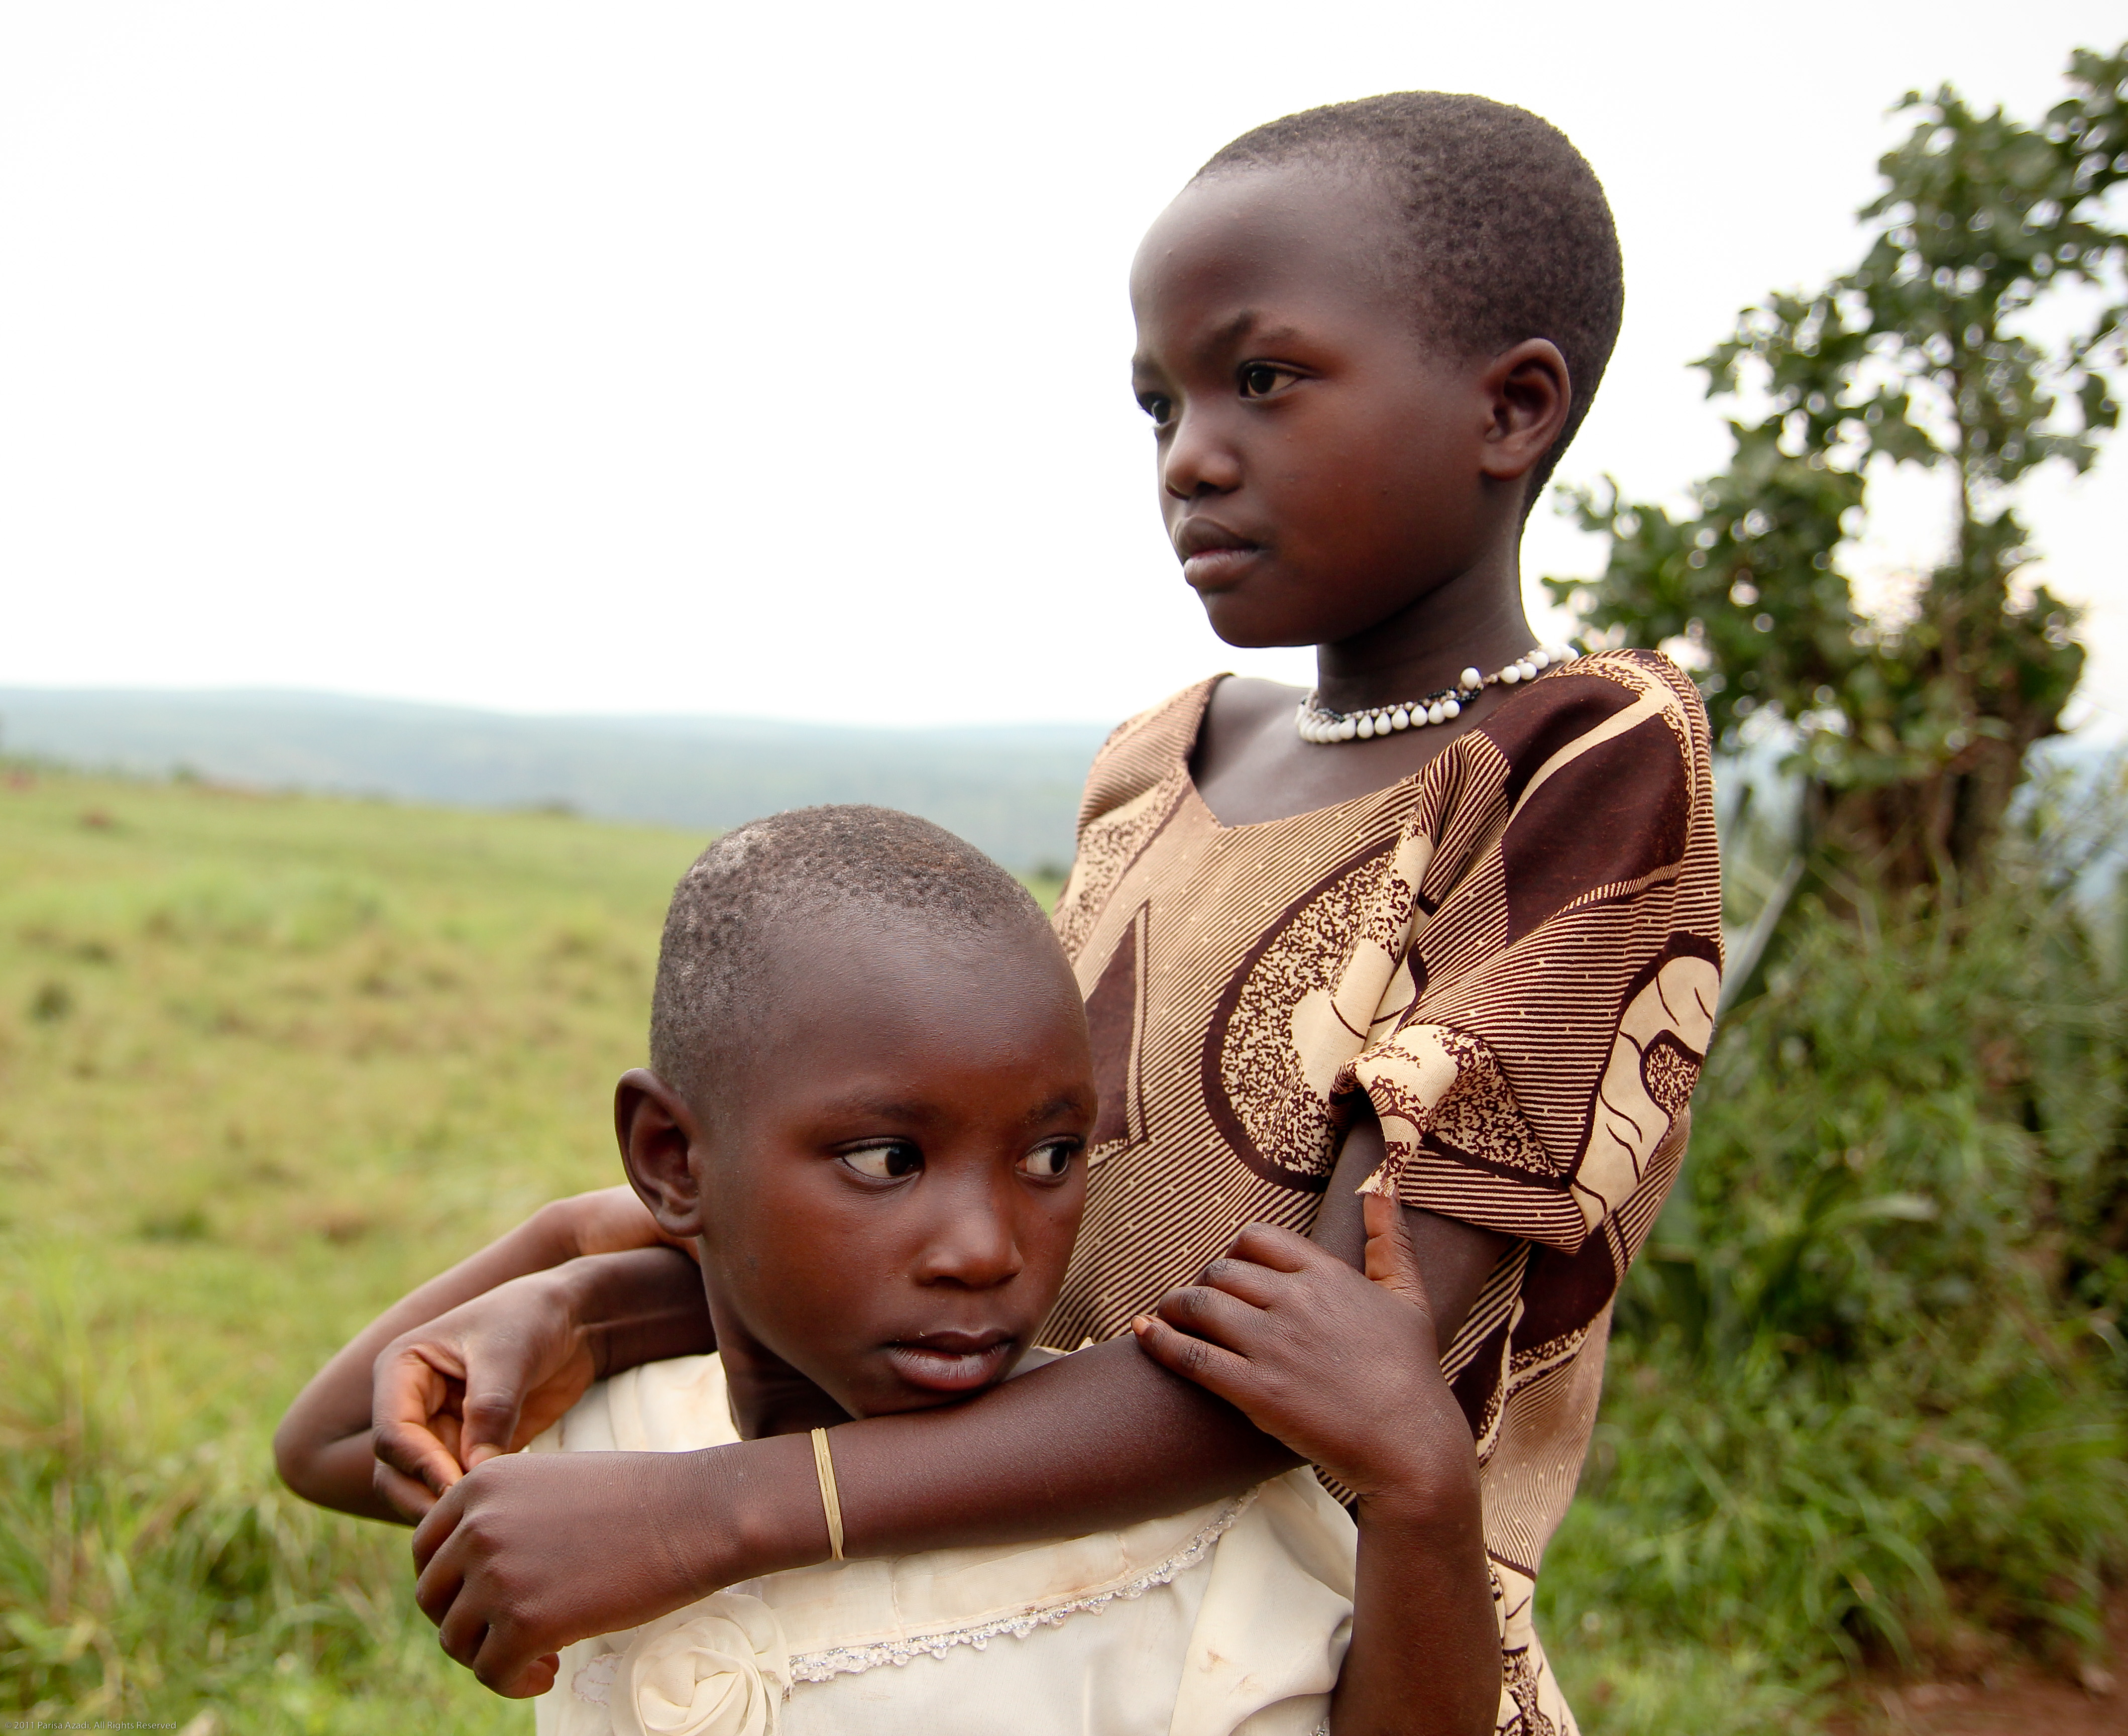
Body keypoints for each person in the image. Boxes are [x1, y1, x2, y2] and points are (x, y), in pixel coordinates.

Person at [281, 91, 1723, 1735]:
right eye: (1155, 400)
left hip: (1305, 1656)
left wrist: (725, 1507)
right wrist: (601, 1286)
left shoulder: (1577, 758)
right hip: (990, 1604)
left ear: (1507, 407)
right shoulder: (1159, 759)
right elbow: (1013, 1242)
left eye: (1261, 377)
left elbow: (1322, 1364)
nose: (1190, 453)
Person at [283, 804, 1495, 1736]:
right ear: (670, 1156)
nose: (984, 1249)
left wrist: (1424, 1503)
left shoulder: (1186, 1521)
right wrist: (569, 1268)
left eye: (1052, 1154)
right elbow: (330, 1448)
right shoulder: (606, 1431)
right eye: (886, 1158)